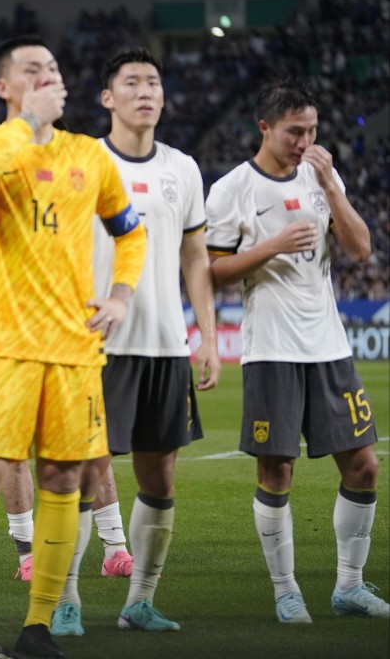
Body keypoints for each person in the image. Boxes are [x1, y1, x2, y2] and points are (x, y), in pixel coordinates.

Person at [0, 35, 146, 658]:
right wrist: (29, 122)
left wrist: (122, 295)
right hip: (3, 348)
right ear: (5, 87)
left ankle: (38, 628)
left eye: (53, 68)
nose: (48, 77)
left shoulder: (90, 157)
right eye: (32, 70)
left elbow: (130, 234)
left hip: (75, 350)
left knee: (62, 479)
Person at [50, 47, 222, 637]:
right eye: (132, 82)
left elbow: (196, 257)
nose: (146, 91)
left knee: (160, 479)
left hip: (167, 346)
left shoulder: (185, 168)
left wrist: (207, 336)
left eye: (154, 81)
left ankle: (139, 602)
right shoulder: (81, 162)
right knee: (82, 473)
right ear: (107, 98)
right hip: (97, 345)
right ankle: (65, 599)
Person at [206, 78, 388, 623]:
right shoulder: (233, 189)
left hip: (329, 346)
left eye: (312, 130)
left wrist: (331, 186)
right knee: (277, 471)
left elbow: (360, 248)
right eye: (294, 132)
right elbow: (212, 273)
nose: (305, 141)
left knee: (364, 465)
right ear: (265, 127)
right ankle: (286, 590)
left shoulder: (320, 177)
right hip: (272, 350)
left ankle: (349, 586)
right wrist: (270, 247)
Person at [0, 215, 134, 584]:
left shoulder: (66, 186)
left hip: (66, 336)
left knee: (90, 442)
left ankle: (115, 550)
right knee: (15, 452)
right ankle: (29, 556)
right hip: (8, 341)